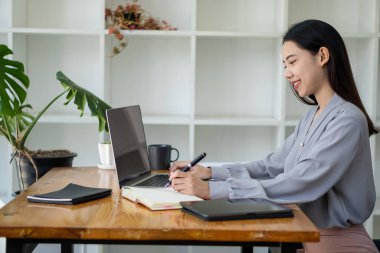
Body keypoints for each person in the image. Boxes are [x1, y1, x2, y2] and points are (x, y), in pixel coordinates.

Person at [169, 19, 379, 253]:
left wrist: (211, 191)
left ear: (322, 56)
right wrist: (210, 173)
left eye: (292, 62)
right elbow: (271, 167)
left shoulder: (347, 120)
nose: (287, 73)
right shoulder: (312, 116)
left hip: (336, 241)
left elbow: (300, 182)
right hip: (303, 231)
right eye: (284, 66)